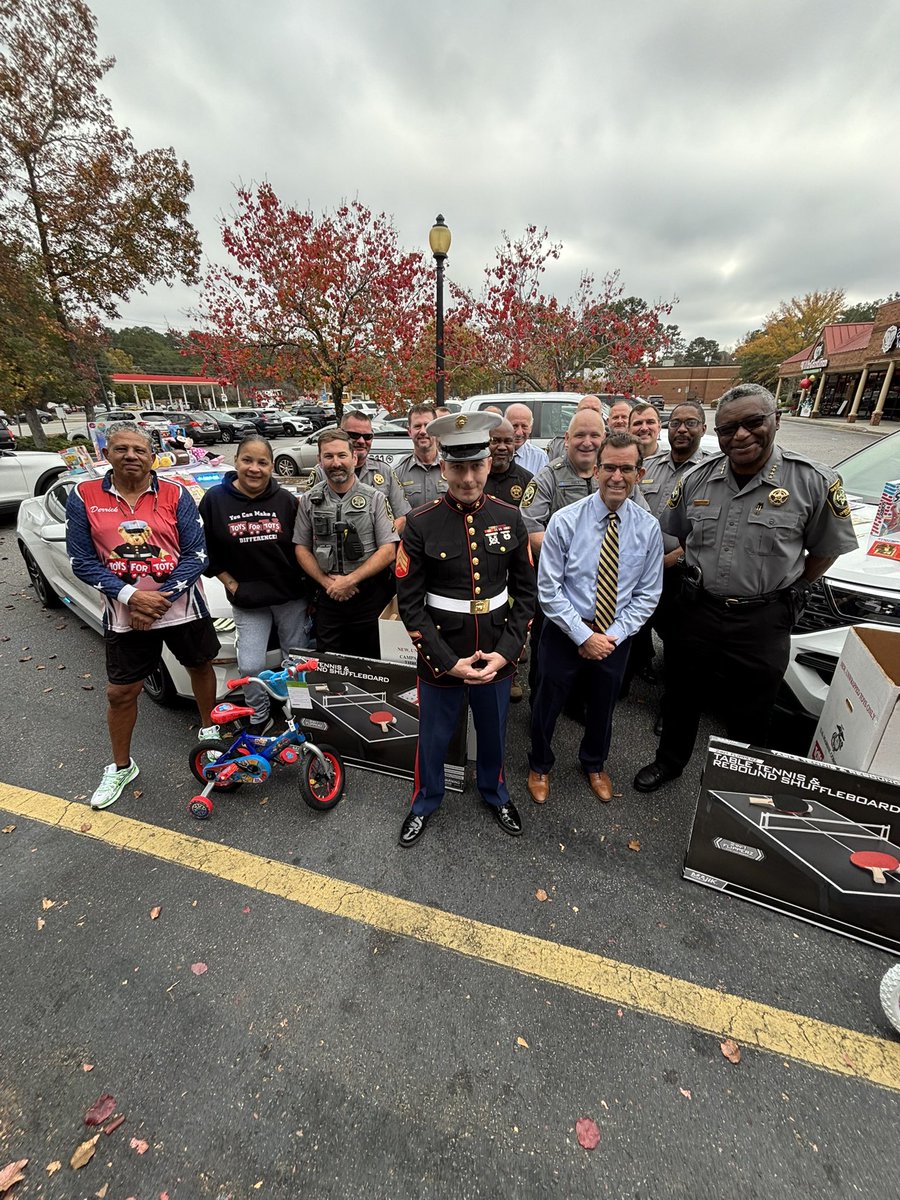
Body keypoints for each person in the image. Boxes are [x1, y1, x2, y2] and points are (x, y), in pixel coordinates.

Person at [634, 383, 860, 793]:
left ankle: (737, 789)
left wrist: (792, 589)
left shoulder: (812, 481)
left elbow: (826, 550)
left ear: (776, 420)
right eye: (728, 428)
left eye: (753, 422)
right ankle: (668, 762)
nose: (740, 435)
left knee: (752, 709)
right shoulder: (698, 479)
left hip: (763, 617)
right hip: (698, 607)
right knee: (682, 694)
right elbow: (676, 534)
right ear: (715, 434)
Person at [395, 411, 537, 847]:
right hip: (442, 653)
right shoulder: (420, 524)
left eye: (476, 466)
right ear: (443, 468)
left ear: (488, 465)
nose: (468, 478)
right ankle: (424, 800)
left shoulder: (510, 517)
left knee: (494, 733)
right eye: (458, 467)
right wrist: (446, 661)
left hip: (496, 650)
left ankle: (495, 793)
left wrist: (507, 651)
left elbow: (526, 595)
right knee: (434, 738)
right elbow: (410, 604)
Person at [66, 422, 219, 809]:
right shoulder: (84, 496)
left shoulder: (175, 493)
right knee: (121, 693)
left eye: (138, 449)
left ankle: (209, 733)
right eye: (121, 449)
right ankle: (121, 766)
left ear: (152, 456)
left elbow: (196, 554)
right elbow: (81, 561)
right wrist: (133, 597)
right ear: (107, 453)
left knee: (200, 665)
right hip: (125, 614)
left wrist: (158, 600)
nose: (131, 456)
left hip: (182, 607)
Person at [527, 433, 662, 806]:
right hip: (566, 631)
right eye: (610, 467)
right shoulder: (565, 521)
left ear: (640, 472)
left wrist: (612, 635)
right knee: (547, 702)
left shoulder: (648, 528)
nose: (617, 476)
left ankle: (595, 763)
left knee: (603, 706)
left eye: (626, 468)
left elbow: (647, 594)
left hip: (615, 637)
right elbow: (549, 590)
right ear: (597, 470)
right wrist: (583, 635)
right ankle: (539, 763)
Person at [199, 436, 308, 735]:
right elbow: (205, 549)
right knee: (249, 665)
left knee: (295, 661)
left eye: (262, 462)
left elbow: (301, 546)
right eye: (248, 460)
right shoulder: (214, 500)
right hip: (247, 599)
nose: (254, 468)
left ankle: (296, 712)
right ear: (235, 461)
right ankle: (259, 716)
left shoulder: (285, 500)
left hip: (289, 595)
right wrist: (231, 584)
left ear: (272, 466)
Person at [520, 407, 607, 703]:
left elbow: (639, 524)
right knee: (548, 660)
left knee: (592, 654)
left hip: (603, 591)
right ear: (567, 439)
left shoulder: (612, 475)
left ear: (603, 438)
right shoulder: (548, 477)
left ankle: (578, 703)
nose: (587, 442)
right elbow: (531, 530)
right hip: (559, 587)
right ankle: (541, 708)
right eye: (580, 435)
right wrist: (580, 561)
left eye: (594, 435)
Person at [624, 400, 709, 699]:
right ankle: (626, 680)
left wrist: (668, 560)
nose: (682, 429)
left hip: (680, 572)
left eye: (690, 423)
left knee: (677, 641)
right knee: (635, 627)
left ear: (703, 428)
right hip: (640, 568)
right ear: (667, 428)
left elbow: (705, 533)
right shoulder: (650, 467)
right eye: (675, 423)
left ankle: (670, 706)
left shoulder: (710, 472)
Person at [294, 429, 399, 658]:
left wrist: (350, 580)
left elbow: (389, 550)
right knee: (330, 666)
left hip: (370, 596)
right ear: (319, 460)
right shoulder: (309, 500)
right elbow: (301, 547)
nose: (336, 463)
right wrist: (327, 583)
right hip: (328, 597)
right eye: (328, 456)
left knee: (374, 664)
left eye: (342, 456)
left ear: (354, 458)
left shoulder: (375, 498)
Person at [305, 409, 410, 532]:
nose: (361, 441)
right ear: (340, 432)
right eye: (354, 435)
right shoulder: (322, 472)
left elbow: (402, 517)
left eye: (367, 436)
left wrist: (381, 541)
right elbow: (307, 519)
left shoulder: (384, 471)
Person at [392, 402, 447, 511]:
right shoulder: (397, 473)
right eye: (417, 426)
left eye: (427, 425)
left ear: (435, 430)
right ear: (409, 431)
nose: (422, 431)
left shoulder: (451, 467)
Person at [485, 417, 534, 506]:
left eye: (508, 442)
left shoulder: (527, 480)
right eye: (495, 441)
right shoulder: (476, 478)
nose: (502, 447)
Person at [546, 395, 604, 462]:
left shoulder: (611, 445)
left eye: (594, 410)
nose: (588, 413)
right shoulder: (557, 446)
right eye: (584, 409)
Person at [506, 402, 550, 475]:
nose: (519, 433)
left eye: (524, 426)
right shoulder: (494, 454)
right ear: (505, 426)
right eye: (514, 426)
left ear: (531, 428)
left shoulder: (539, 457)